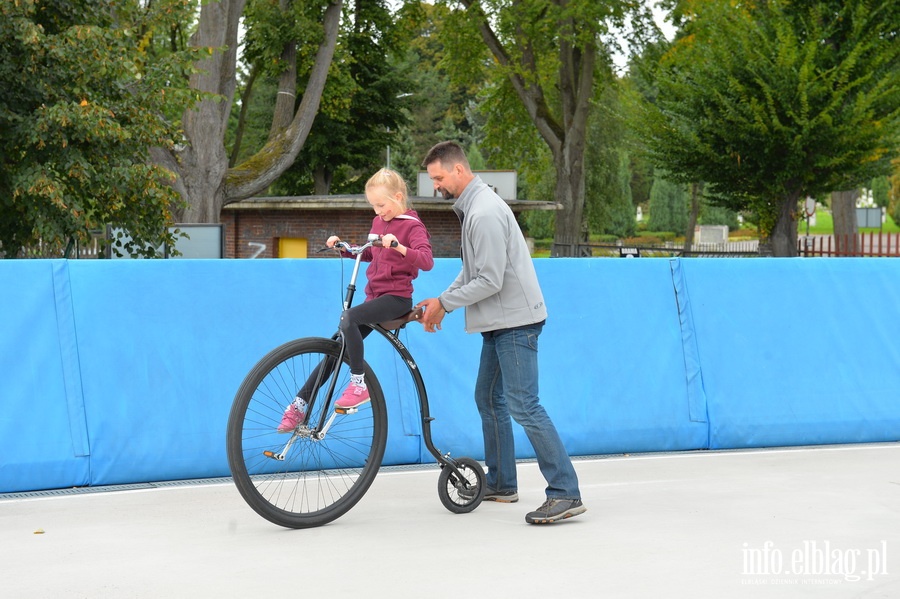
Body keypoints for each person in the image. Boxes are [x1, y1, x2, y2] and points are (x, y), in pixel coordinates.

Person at [416, 141, 585, 524]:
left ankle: (565, 492)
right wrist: (441, 298)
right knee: (488, 399)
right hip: (500, 322)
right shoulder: (474, 208)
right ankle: (502, 483)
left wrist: (446, 303)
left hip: (515, 322)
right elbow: (471, 271)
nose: (436, 187)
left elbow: (489, 281)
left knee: (524, 404)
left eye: (439, 178)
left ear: (459, 170)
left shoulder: (485, 212)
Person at [278, 168, 433, 432]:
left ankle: (358, 383)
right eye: (373, 206)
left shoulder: (412, 226)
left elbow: (426, 261)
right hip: (375, 297)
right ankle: (301, 404)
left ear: (398, 197)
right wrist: (345, 248)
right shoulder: (380, 223)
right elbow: (372, 254)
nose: (378, 211)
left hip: (396, 299)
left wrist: (398, 246)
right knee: (336, 348)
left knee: (348, 317)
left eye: (381, 205)